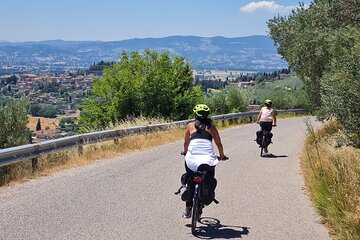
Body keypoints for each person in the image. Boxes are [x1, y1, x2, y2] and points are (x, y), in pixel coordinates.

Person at [181, 104, 227, 218]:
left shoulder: (190, 126)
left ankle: (187, 208)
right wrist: (222, 156)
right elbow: (218, 143)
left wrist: (185, 152)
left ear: (195, 115)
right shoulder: (211, 127)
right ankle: (205, 196)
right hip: (208, 160)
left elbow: (186, 143)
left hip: (192, 159)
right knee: (209, 178)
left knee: (190, 177)